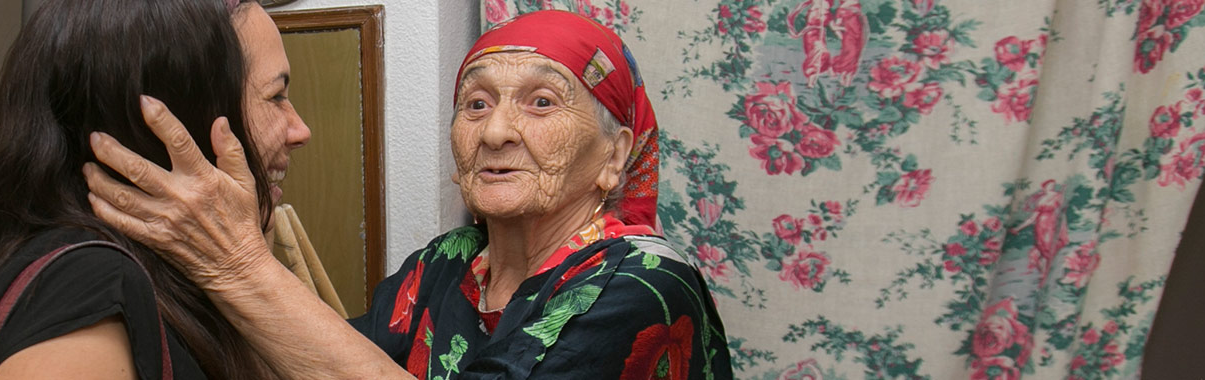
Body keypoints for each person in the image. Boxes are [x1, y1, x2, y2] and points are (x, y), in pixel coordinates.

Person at [85, 10, 734, 379]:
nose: (498, 131)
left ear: (615, 155)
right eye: (475, 103)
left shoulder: (645, 282)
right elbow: (319, 362)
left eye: (541, 102)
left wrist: (239, 266)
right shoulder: (445, 263)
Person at [0, 0, 310, 378]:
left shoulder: (166, 277)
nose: (300, 130)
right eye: (275, 97)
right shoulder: (85, 294)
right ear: (175, 120)